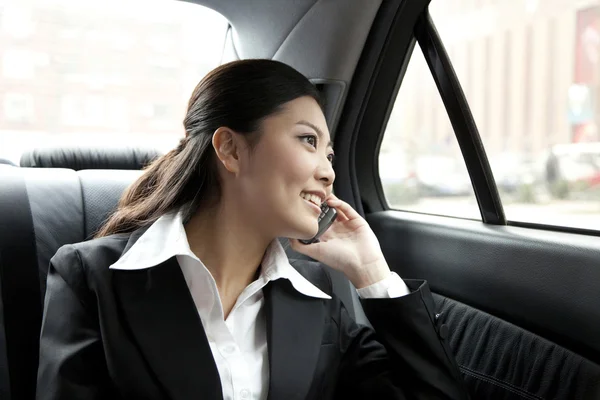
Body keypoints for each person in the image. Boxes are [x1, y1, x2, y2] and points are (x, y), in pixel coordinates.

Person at [36, 59, 470, 400]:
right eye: (308, 140)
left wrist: (372, 272)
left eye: (331, 155)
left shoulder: (317, 299)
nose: (328, 173)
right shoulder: (91, 277)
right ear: (230, 149)